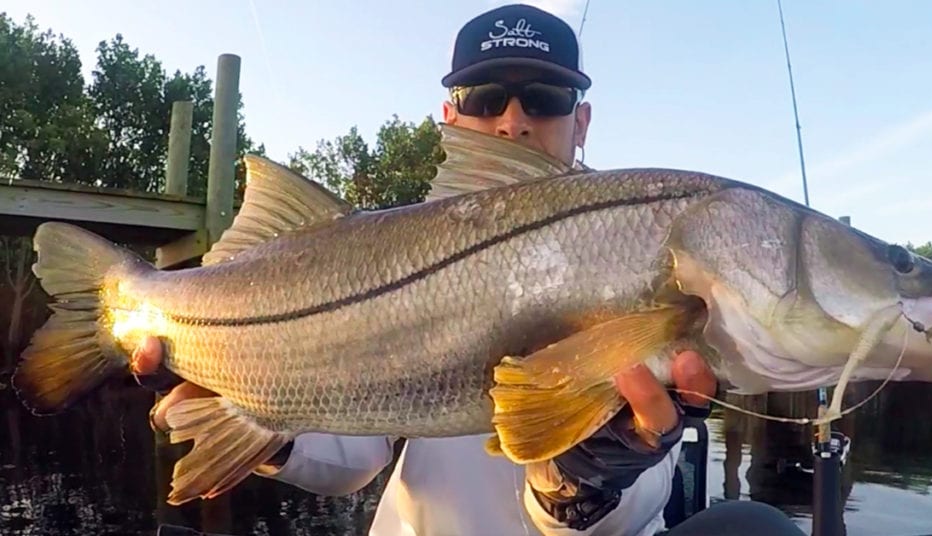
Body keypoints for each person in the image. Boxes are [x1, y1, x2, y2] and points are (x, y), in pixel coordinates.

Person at [137, 4, 805, 536]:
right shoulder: (382, 252)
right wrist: (245, 407)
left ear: (582, 122)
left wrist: (583, 482)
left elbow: (629, 496)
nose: (513, 121)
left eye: (544, 97)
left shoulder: (645, 240)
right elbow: (353, 459)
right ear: (450, 118)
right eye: (485, 97)